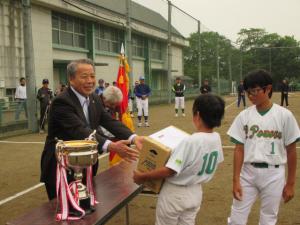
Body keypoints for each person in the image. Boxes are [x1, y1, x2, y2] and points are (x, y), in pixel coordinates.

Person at [40, 59, 142, 200]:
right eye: (84, 76)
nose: (90, 81)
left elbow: (109, 121)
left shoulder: (94, 98)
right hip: (62, 166)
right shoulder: (61, 102)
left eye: (92, 76)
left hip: (86, 165)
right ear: (71, 79)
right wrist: (111, 146)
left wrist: (134, 138)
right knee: (64, 213)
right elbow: (79, 130)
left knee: (87, 210)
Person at [133, 94, 225, 225]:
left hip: (175, 193)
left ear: (197, 115)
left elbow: (170, 170)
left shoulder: (191, 141)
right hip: (196, 192)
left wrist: (143, 177)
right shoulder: (216, 138)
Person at [227, 69, 300, 225]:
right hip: (248, 172)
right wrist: (235, 180)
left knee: (268, 218)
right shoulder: (244, 116)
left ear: (268, 89)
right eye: (248, 91)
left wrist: (291, 183)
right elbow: (239, 149)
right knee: (236, 218)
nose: (251, 95)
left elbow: (292, 151)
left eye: (255, 90)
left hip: (274, 174)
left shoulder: (284, 115)